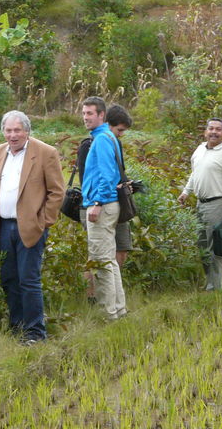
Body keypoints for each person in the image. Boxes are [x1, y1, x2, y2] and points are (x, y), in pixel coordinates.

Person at [0, 110, 64, 345]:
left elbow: (57, 192)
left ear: (27, 131)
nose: (12, 135)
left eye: (17, 130)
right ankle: (17, 328)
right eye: (8, 130)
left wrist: (43, 222)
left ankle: (35, 333)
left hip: (30, 228)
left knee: (28, 280)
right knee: (9, 279)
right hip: (3, 226)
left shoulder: (45, 153)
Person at [78, 104, 134, 303]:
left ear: (103, 116)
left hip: (102, 205)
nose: (85, 118)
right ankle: (118, 308)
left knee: (102, 262)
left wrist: (98, 201)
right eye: (83, 113)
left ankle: (108, 311)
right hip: (110, 203)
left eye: (90, 114)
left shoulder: (102, 139)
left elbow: (107, 174)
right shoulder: (109, 138)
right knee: (109, 261)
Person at [177, 118, 222, 291]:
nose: (214, 132)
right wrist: (185, 192)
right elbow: (195, 174)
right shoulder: (199, 150)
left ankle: (215, 287)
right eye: (211, 128)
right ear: (205, 131)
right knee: (203, 246)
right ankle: (209, 282)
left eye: (218, 129)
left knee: (215, 248)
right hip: (200, 203)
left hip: (217, 204)